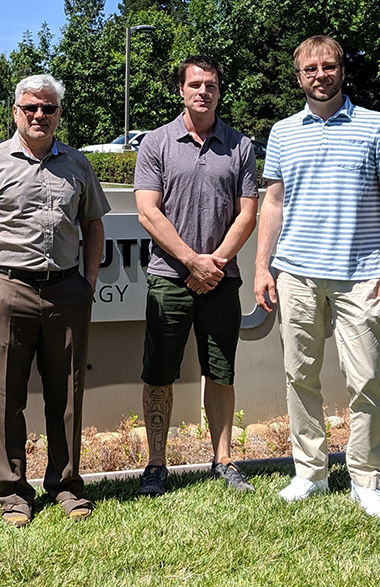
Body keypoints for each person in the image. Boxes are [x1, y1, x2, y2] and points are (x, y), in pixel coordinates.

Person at [254, 35, 380, 518]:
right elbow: (273, 203)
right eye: (310, 69)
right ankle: (310, 473)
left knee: (366, 379)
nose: (319, 75)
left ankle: (365, 479)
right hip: (297, 273)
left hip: (362, 274)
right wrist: (262, 265)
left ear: (342, 71)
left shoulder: (375, 126)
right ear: (298, 77)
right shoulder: (282, 132)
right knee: (299, 375)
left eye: (328, 66)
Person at [0, 74, 110, 527]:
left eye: (48, 108)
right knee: (8, 397)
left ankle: (65, 485)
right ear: (15, 111)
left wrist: (88, 282)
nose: (39, 115)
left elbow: (94, 226)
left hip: (66, 291)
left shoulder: (78, 166)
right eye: (31, 108)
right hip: (9, 291)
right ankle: (13, 493)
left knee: (67, 396)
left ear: (59, 113)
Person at [133, 55, 259, 496]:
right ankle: (156, 464)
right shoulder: (156, 142)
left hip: (222, 280)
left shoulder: (240, 146)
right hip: (168, 279)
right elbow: (148, 211)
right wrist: (191, 261)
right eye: (195, 85)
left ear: (220, 91)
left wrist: (214, 264)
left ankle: (223, 460)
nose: (202, 91)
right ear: (181, 91)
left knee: (221, 372)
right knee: (159, 373)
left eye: (210, 85)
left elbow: (248, 214)